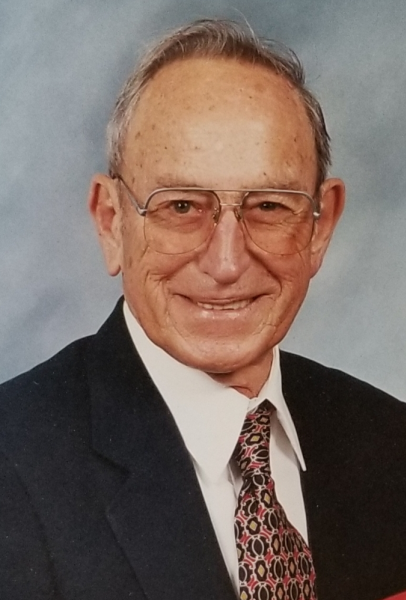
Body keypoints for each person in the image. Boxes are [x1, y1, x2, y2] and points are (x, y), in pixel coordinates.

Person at [0, 18, 405, 600]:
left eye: (269, 206)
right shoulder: (13, 465)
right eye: (181, 206)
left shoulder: (391, 443)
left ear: (320, 227)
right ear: (111, 223)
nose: (226, 262)